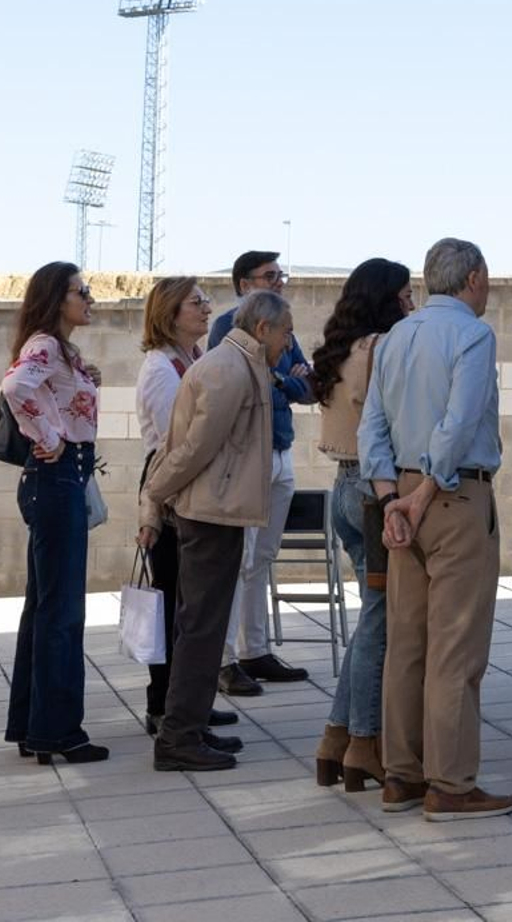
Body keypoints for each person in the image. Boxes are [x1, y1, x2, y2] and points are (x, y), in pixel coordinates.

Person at [361, 238, 512, 821]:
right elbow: (459, 422)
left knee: (407, 644)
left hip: (402, 498)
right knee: (455, 646)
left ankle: (401, 775)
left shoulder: (398, 335)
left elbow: (372, 426)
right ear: (473, 277)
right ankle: (450, 783)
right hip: (450, 497)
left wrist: (392, 499)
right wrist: (425, 492)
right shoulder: (474, 335)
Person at [138, 290, 293, 772]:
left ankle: (191, 725)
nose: (289, 344)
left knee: (202, 625)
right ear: (263, 329)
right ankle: (179, 738)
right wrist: (155, 495)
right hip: (208, 512)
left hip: (218, 509)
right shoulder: (229, 368)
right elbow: (193, 448)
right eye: (286, 333)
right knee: (202, 628)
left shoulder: (233, 362)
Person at [312, 259, 415, 791]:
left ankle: (338, 738)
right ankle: (364, 742)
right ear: (384, 299)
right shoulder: (381, 349)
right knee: (381, 622)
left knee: (372, 616)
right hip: (375, 491)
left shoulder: (341, 348)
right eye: (404, 296)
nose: (412, 305)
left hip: (343, 486)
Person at [1, 261, 108, 765]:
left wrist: (84, 382)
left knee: (45, 609)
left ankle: (34, 727)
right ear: (56, 298)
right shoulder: (45, 345)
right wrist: (49, 437)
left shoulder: (61, 350)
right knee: (62, 612)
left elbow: (45, 391)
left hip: (59, 481)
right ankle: (59, 732)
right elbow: (16, 388)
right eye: (80, 291)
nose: (89, 298)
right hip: (57, 478)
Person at [134, 276, 240, 740]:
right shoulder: (160, 368)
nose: (205, 307)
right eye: (195, 302)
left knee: (190, 606)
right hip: (169, 488)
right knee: (174, 602)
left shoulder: (194, 358)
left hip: (189, 486)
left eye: (204, 300)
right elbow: (170, 443)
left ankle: (187, 702)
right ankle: (165, 707)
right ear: (170, 313)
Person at [207, 251, 313, 696]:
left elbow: (309, 387)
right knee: (241, 558)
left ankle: (256, 649)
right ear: (244, 284)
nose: (279, 282)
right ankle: (226, 659)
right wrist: (280, 376)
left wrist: (280, 379)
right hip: (248, 454)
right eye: (270, 276)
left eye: (281, 274)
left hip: (281, 450)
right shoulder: (226, 328)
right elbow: (234, 383)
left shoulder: (282, 325)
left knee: (263, 558)